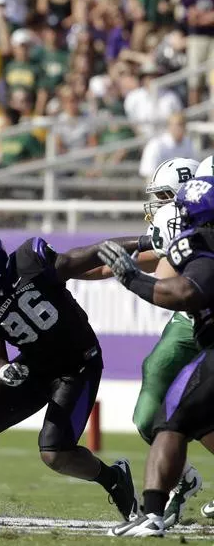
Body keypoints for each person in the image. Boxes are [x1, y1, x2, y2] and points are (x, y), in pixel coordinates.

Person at [0, 229, 151, 521]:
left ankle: (114, 479)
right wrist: (2, 370)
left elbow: (91, 252)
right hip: (34, 366)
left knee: (55, 454)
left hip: (78, 365)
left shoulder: (30, 263)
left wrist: (145, 241)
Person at [81, 157, 203, 529]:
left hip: (200, 321)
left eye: (166, 196)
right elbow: (124, 262)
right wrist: (61, 270)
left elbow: (164, 275)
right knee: (151, 415)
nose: (159, 205)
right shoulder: (175, 231)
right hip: (192, 324)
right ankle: (182, 477)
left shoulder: (200, 232)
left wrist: (132, 273)